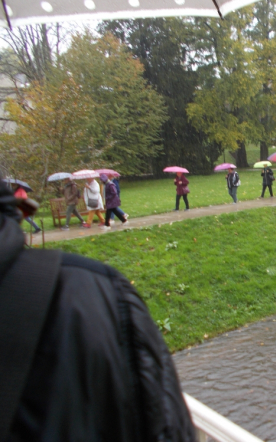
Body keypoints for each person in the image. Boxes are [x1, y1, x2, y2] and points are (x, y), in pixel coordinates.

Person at [0, 178, 197, 442]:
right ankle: (114, 219)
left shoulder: (95, 292)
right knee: (97, 213)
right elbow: (166, 424)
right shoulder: (97, 292)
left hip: (101, 205)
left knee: (101, 212)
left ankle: (114, 219)